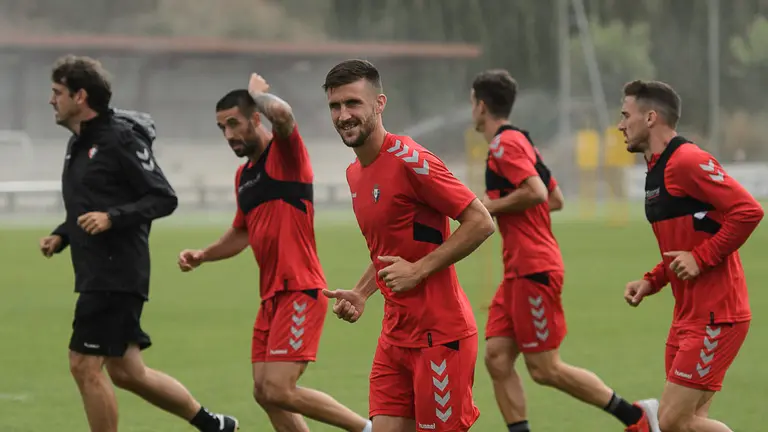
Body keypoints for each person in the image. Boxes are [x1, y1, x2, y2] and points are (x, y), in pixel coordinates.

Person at [38, 54, 239, 432]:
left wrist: (112, 218)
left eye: (57, 92)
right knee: (128, 372)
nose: (51, 100)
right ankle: (213, 425)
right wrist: (62, 234)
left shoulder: (119, 138)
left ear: (80, 96)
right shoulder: (79, 143)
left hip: (115, 273)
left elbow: (163, 197)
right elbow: (93, 202)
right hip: (97, 270)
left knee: (83, 365)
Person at [177, 76, 372, 432]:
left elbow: (282, 114)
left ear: (255, 119)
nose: (228, 135)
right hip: (271, 297)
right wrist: (204, 254)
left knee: (279, 388)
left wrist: (257, 95)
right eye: (222, 128)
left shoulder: (286, 154)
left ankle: (370, 429)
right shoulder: (244, 176)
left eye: (234, 123)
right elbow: (241, 232)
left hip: (300, 288)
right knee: (265, 393)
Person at [472, 69, 659, 432]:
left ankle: (637, 417)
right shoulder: (521, 141)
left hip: (533, 267)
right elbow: (554, 198)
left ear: (481, 105)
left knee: (545, 368)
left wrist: (487, 207)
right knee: (497, 358)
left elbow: (538, 195)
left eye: (472, 103)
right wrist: (509, 206)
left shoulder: (503, 146)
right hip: (516, 270)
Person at [320, 59, 496, 432]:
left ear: (379, 104)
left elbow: (480, 222)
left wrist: (418, 270)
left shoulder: (410, 159)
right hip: (394, 338)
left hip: (440, 338)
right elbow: (392, 247)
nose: (344, 115)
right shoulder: (354, 174)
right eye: (335, 106)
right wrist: (363, 292)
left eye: (353, 103)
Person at [619, 79, 763, 432]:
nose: (621, 124)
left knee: (671, 422)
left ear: (651, 117)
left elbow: (748, 211)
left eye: (626, 115)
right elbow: (683, 243)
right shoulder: (655, 171)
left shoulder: (687, 160)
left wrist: (701, 258)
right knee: (689, 424)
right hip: (687, 315)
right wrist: (652, 281)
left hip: (717, 314)